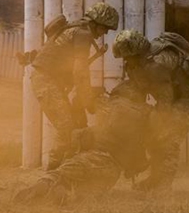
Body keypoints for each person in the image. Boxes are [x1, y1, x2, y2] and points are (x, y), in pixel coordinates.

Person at [13, 81, 151, 204]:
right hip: (112, 171)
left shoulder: (105, 107)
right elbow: (139, 163)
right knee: (85, 196)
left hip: (89, 159)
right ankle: (65, 196)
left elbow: (79, 102)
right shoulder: (143, 115)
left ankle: (39, 191)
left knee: (57, 177)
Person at [112, 29, 189, 191]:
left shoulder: (156, 65)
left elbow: (165, 99)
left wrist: (160, 123)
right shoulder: (137, 64)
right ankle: (155, 179)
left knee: (168, 137)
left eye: (127, 56)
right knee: (152, 135)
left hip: (188, 98)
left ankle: (163, 185)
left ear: (136, 52)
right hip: (171, 97)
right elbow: (139, 91)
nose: (126, 60)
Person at [29, 2, 119, 170]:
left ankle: (60, 172)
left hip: (50, 81)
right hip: (46, 80)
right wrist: (87, 100)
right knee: (68, 130)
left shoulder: (75, 29)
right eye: (105, 28)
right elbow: (80, 72)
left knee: (72, 128)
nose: (105, 33)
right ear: (96, 23)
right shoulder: (83, 34)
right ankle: (53, 175)